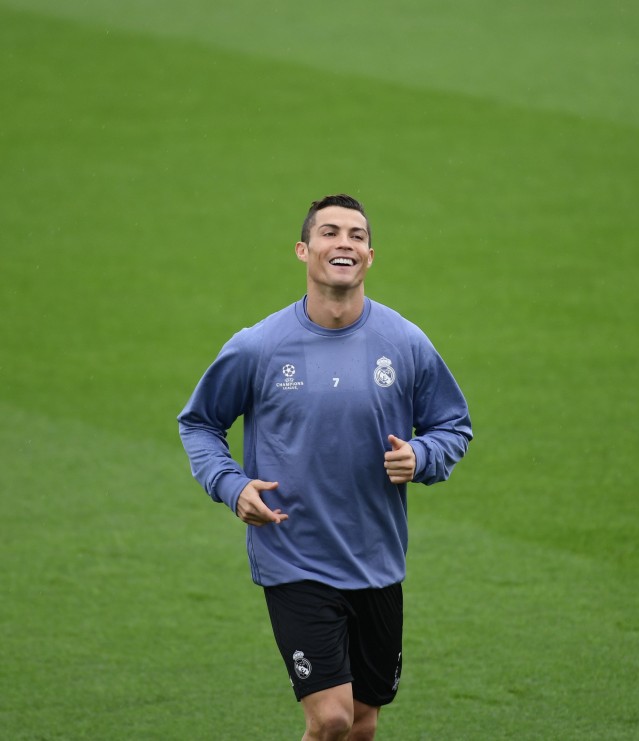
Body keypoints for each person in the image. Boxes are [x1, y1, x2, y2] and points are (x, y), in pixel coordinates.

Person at [178, 194, 472, 740]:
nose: (344, 243)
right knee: (332, 718)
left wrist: (422, 456)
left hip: (377, 558)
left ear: (370, 255)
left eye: (357, 236)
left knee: (362, 724)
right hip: (294, 555)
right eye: (331, 233)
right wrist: (229, 484)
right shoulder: (258, 347)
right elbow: (199, 423)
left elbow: (454, 427)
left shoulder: (404, 342)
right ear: (303, 250)